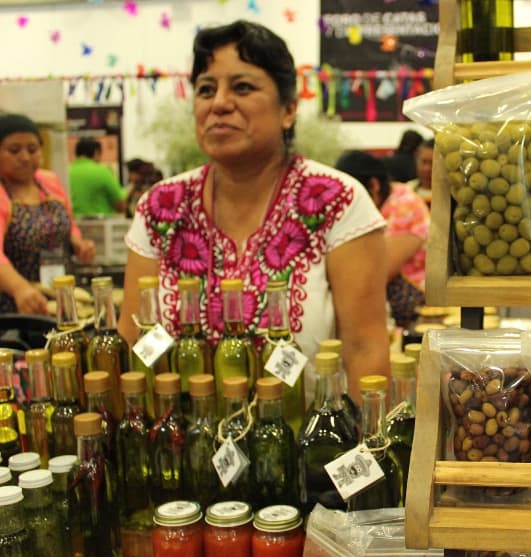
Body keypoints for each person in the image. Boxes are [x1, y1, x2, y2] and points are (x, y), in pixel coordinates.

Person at [118, 20, 391, 401]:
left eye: (242, 87)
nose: (219, 103)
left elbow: (365, 350)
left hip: (307, 448)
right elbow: (133, 342)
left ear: (288, 110)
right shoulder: (161, 207)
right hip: (179, 447)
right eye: (206, 89)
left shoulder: (336, 200)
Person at [0, 113, 96, 314]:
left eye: (32, 149)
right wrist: (20, 289)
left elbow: (68, 224)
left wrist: (79, 243)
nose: (25, 157)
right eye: (14, 150)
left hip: (62, 295)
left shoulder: (49, 181)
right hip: (16, 305)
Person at [335, 150, 429, 329]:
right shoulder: (383, 202)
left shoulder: (404, 205)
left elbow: (377, 272)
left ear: (373, 185)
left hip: (416, 311)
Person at [69, 137, 127, 216]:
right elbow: (120, 204)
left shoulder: (66, 172)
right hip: (101, 225)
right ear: (96, 152)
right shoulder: (103, 171)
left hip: (73, 224)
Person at [407, 138, 434, 206]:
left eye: (433, 163)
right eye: (424, 162)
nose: (427, 169)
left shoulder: (449, 195)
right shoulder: (407, 189)